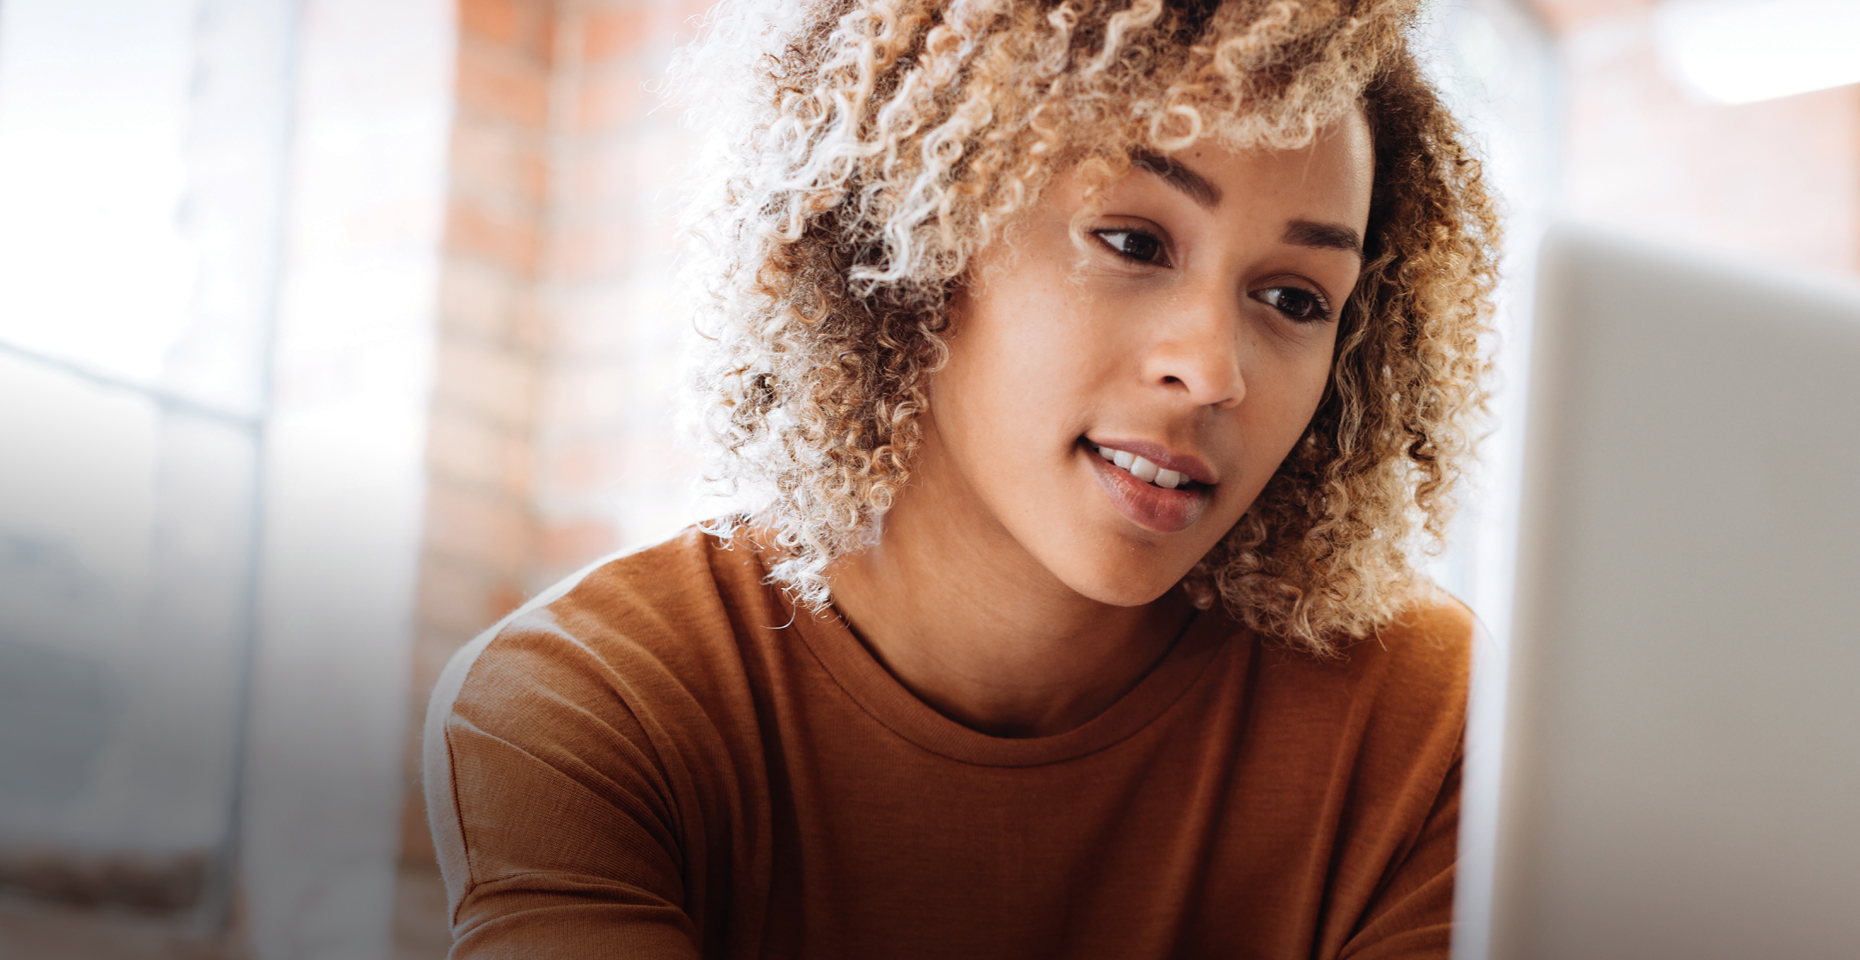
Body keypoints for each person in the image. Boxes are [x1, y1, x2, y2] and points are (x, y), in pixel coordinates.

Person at [421, 0, 1500, 955]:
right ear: (915, 232)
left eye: (1297, 299)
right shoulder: (598, 706)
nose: (1214, 369)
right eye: (1131, 239)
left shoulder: (1429, 725)